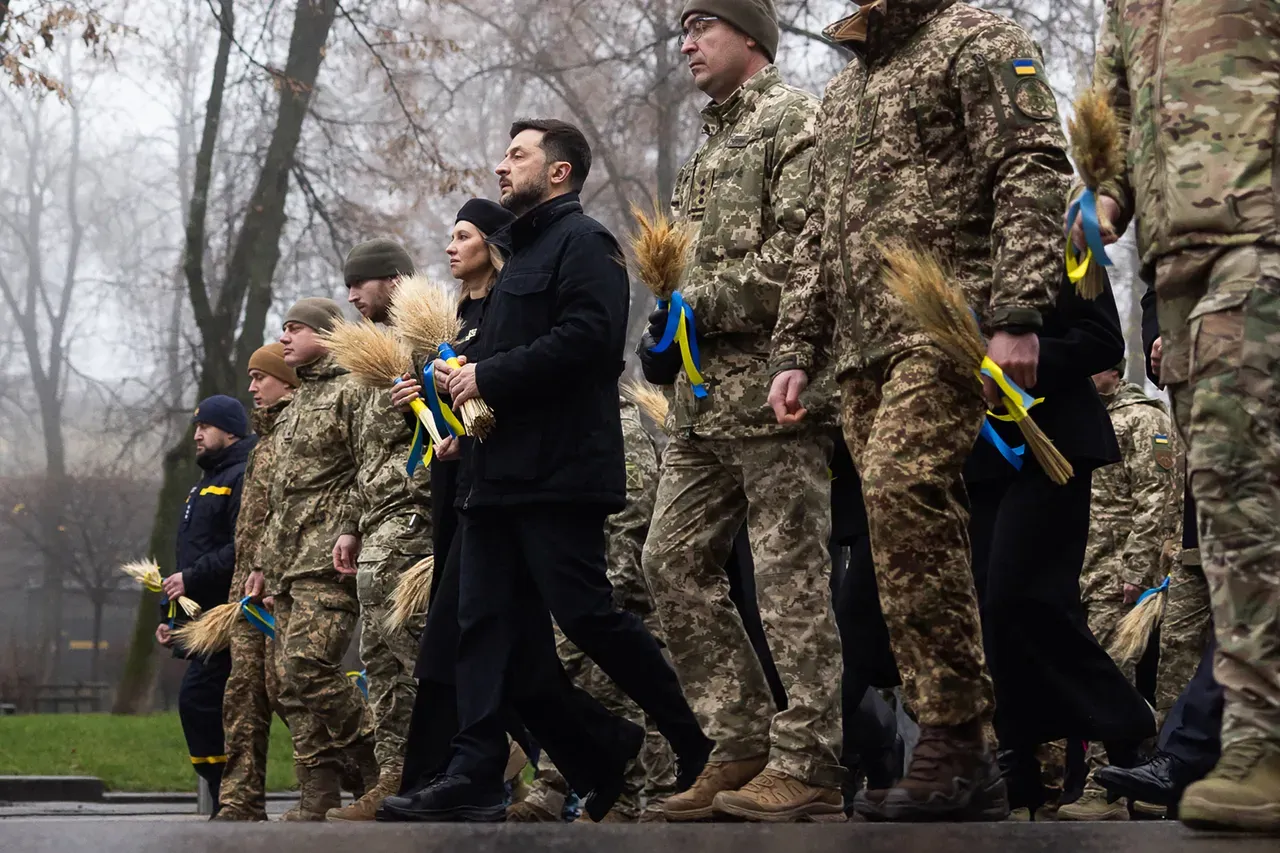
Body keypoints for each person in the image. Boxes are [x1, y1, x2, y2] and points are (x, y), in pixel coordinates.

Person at [767, 0, 1073, 821]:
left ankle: (958, 737)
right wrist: (796, 346)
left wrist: (1017, 310)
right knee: (906, 538)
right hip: (861, 357)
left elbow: (1032, 165)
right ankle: (968, 750)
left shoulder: (976, 37)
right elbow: (815, 236)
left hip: (947, 326)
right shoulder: (843, 94)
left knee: (906, 495)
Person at [403, 118, 711, 821]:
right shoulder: (513, 263)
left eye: (518, 155)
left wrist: (488, 373)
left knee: (588, 616)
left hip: (559, 475)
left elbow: (595, 343)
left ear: (560, 172)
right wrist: (455, 377)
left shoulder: (586, 244)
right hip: (495, 478)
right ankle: (480, 768)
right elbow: (497, 358)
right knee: (483, 627)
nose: (502, 166)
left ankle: (695, 739)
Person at [381, 198, 654, 824]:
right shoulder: (459, 317)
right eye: (447, 237)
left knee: (497, 641)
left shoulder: (517, 301)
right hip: (478, 493)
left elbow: (532, 384)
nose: (451, 247)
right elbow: (469, 412)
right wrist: (428, 414)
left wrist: (467, 417)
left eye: (465, 235)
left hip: (532, 489)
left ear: (494, 247)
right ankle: (591, 752)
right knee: (504, 651)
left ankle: (495, 768)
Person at [637, 0, 843, 823]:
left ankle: (811, 760)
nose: (686, 43)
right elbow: (688, 272)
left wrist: (700, 301)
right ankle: (744, 740)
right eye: (683, 30)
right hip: (703, 405)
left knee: (791, 579)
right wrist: (667, 331)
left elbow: (804, 258)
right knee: (669, 561)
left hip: (775, 394)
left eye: (702, 28)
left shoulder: (795, 119)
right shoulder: (709, 144)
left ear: (751, 38)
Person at [1077, 0, 1280, 831]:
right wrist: (1104, 197)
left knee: (1244, 492)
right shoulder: (1129, 6)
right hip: (1178, 265)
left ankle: (1259, 744)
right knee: (1224, 519)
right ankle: (1249, 736)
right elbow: (1113, 116)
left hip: (1259, 238)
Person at [966, 274, 1155, 821]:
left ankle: (1125, 720)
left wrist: (1022, 355)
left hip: (1055, 444)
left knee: (1024, 596)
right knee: (990, 610)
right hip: (985, 452)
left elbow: (1102, 340)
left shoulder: (1059, 230)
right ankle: (1019, 757)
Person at [509, 396, 672, 823]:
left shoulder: (619, 431)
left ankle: (625, 798)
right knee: (566, 677)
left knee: (605, 680)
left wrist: (604, 596)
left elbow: (627, 524)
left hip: (610, 590)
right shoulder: (565, 426)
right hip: (573, 588)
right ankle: (556, 785)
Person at [324, 239, 434, 821]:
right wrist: (350, 525)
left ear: (393, 281)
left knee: (412, 639)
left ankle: (475, 745)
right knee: (379, 656)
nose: (350, 295)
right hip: (376, 515)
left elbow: (458, 422)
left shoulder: (427, 339)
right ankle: (396, 772)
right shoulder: (371, 353)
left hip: (417, 514)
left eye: (360, 283)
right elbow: (362, 455)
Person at [265, 298, 378, 820]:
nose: (284, 337)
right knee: (289, 682)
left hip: (327, 558)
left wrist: (351, 527)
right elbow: (282, 495)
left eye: (295, 328)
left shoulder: (352, 388)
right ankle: (317, 795)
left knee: (309, 665)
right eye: (283, 329)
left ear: (327, 333)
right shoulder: (295, 405)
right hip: (287, 563)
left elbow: (366, 466)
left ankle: (384, 762)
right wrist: (263, 566)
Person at [1056, 364, 1182, 821]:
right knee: (1098, 677)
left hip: (1119, 575)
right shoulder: (1086, 415)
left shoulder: (1143, 419)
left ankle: (1102, 788)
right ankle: (1141, 772)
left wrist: (1136, 569)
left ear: (1111, 371)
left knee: (1110, 677)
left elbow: (1158, 497)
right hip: (1083, 571)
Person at [155, 394, 256, 817]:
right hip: (201, 620)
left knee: (201, 700)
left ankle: (230, 799)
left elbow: (242, 547)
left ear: (230, 430)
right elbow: (189, 557)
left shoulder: (239, 476)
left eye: (206, 426)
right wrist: (171, 619)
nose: (197, 434)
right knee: (207, 703)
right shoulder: (203, 484)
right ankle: (227, 800)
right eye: (197, 426)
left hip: (230, 616)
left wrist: (192, 579)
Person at [215, 345, 298, 821]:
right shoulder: (262, 444)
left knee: (290, 690)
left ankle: (364, 772)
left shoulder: (293, 436)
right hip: (245, 594)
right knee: (242, 694)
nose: (252, 389)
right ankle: (239, 802)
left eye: (259, 378)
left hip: (281, 585)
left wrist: (269, 571)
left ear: (287, 381)